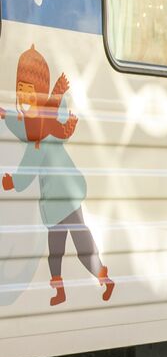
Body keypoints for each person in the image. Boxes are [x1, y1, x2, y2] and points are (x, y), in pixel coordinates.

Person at [1, 44, 114, 306]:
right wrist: (6, 115)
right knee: (58, 250)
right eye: (20, 91)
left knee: (79, 242)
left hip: (65, 196)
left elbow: (27, 170)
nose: (23, 97)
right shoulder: (35, 126)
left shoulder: (42, 135)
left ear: (39, 93)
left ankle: (103, 278)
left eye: (28, 91)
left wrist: (11, 182)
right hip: (55, 201)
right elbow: (21, 127)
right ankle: (61, 290)